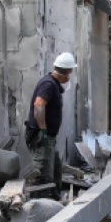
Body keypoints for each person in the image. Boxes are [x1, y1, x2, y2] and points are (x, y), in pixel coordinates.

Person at [25, 53, 77, 199]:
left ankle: (54, 204)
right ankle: (37, 208)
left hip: (49, 138)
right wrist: (42, 129)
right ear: (67, 71)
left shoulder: (53, 84)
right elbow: (39, 104)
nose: (70, 76)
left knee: (56, 172)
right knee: (42, 175)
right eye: (70, 71)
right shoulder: (48, 84)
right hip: (41, 138)